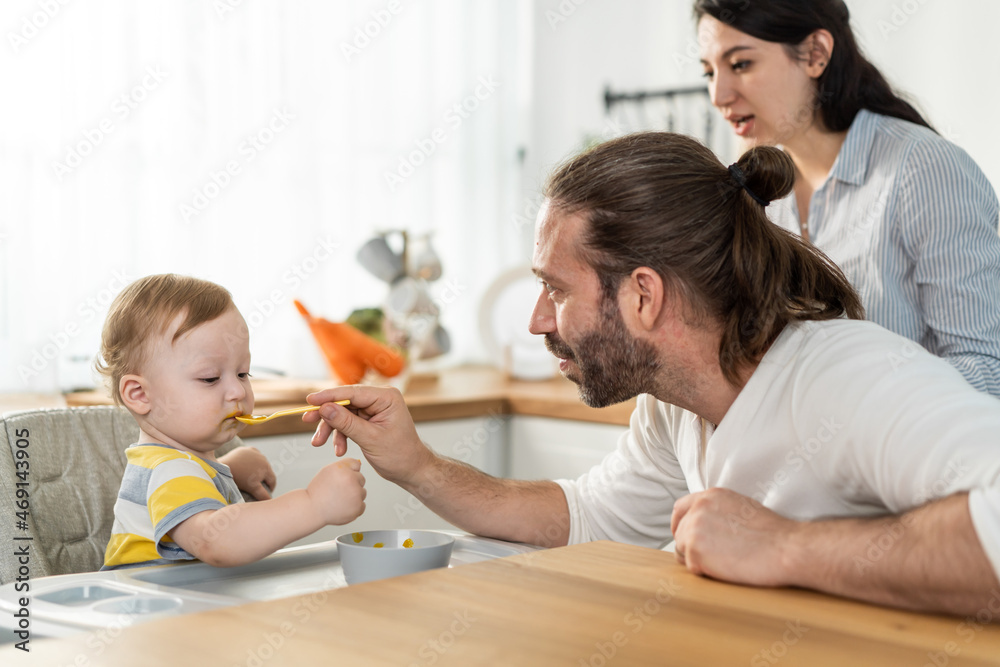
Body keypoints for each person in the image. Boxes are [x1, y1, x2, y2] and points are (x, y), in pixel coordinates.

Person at [303, 132, 1000, 617]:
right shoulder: (676, 403)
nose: (538, 322)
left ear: (643, 294)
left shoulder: (849, 377)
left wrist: (782, 545)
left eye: (557, 289)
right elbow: (587, 518)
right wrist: (417, 465)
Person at [694, 0, 1000, 396]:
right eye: (708, 71)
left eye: (741, 65)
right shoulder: (761, 195)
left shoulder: (923, 168)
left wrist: (860, 421)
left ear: (816, 54)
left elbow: (988, 371)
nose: (718, 95)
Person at [99, 274, 366, 570]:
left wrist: (229, 469)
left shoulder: (175, 466)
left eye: (243, 374)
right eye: (210, 378)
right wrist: (315, 504)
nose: (238, 391)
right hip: (151, 613)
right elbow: (215, 541)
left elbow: (191, 486)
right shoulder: (168, 470)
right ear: (139, 394)